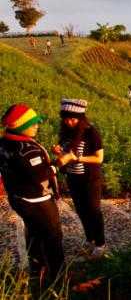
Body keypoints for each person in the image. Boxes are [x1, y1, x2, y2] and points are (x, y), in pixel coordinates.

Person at [0, 104, 65, 283]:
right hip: (38, 201)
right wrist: (59, 162)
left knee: (34, 232)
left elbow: (23, 169)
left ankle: (38, 271)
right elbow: (40, 175)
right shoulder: (26, 149)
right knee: (53, 236)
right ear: (20, 126)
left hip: (17, 197)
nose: (37, 125)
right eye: (33, 123)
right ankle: (59, 279)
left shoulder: (4, 142)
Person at [52, 98, 106, 258]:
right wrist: (59, 152)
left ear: (81, 118)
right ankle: (90, 240)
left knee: (94, 211)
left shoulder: (91, 132)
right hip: (73, 178)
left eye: (73, 118)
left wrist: (77, 158)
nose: (69, 122)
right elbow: (67, 156)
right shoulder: (66, 133)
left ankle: (101, 244)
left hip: (90, 179)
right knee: (82, 211)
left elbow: (98, 158)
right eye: (66, 118)